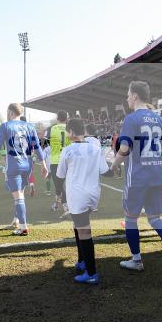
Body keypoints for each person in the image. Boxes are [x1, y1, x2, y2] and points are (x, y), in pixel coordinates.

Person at [111, 80, 162, 279]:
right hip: (155, 174)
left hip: (137, 176)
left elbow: (124, 149)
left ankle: (136, 260)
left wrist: (112, 166)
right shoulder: (159, 119)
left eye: (128, 94)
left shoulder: (131, 119)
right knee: (154, 218)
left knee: (130, 219)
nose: (127, 98)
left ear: (135, 96)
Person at [58, 118, 109, 284]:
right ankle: (82, 261)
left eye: (68, 131)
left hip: (77, 196)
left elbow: (60, 176)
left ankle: (92, 273)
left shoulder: (67, 150)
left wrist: (59, 196)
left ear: (71, 132)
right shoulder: (95, 148)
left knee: (84, 232)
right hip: (92, 195)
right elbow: (105, 170)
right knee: (79, 226)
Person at [0, 103, 48, 236]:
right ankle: (17, 220)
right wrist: (43, 164)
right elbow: (37, 146)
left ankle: (23, 227)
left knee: (18, 197)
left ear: (10, 112)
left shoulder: (5, 126)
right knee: (20, 194)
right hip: (27, 164)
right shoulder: (30, 126)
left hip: (13, 164)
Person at [46, 111, 69, 214]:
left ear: (57, 118)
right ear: (66, 118)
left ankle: (65, 205)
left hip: (55, 160)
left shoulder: (52, 128)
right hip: (67, 160)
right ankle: (57, 205)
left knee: (58, 185)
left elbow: (46, 143)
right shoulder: (70, 128)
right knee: (62, 185)